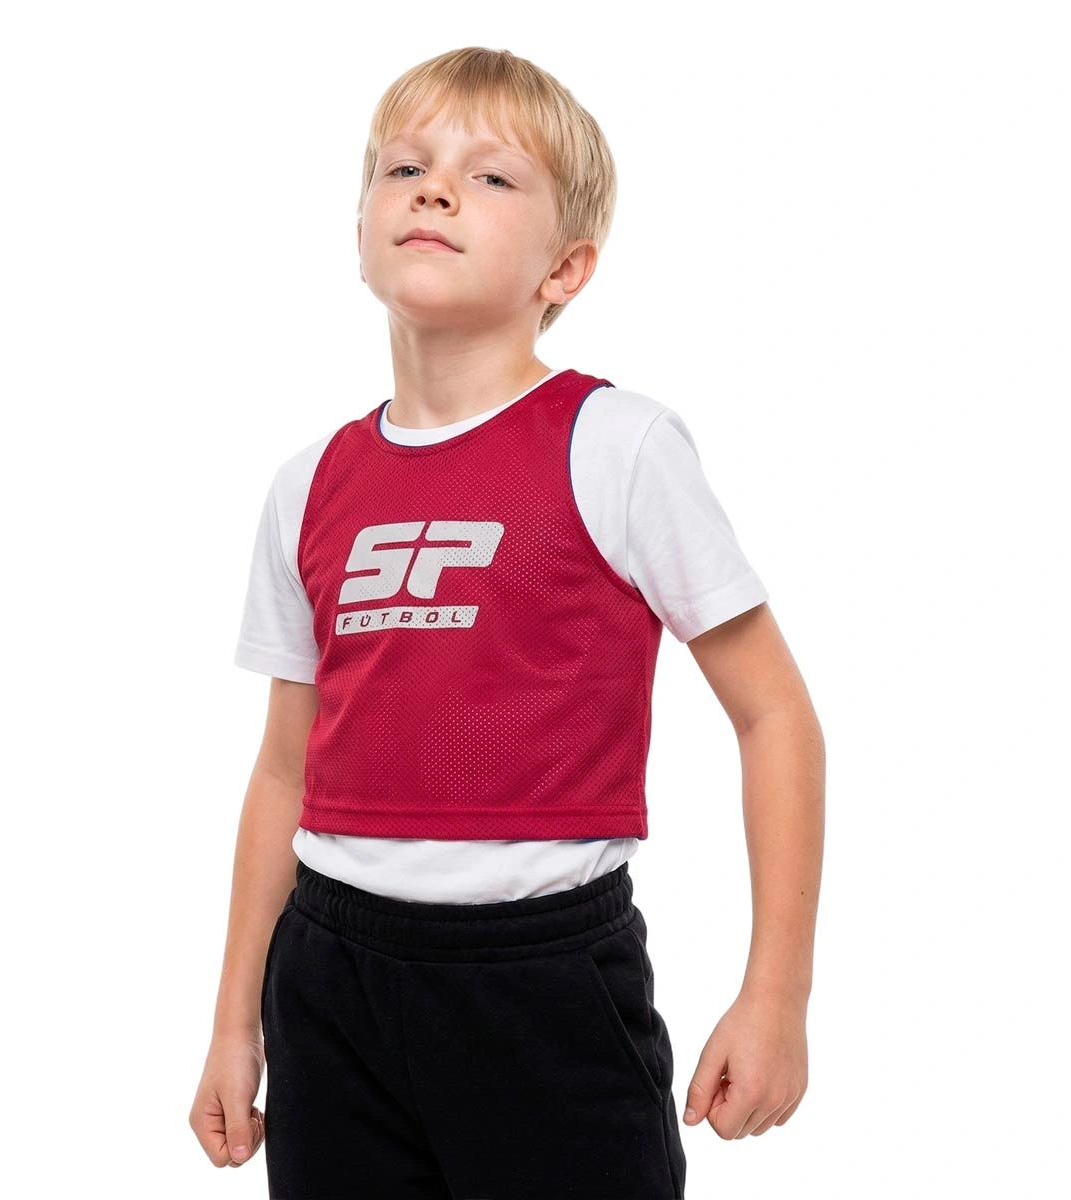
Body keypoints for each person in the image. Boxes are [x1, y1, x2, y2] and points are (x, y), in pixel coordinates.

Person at [189, 45, 824, 1200]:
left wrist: (775, 996)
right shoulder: (308, 486)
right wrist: (235, 1022)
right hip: (329, 983)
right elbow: (284, 769)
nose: (434, 190)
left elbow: (775, 715)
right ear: (361, 231)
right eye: (405, 168)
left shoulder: (617, 447)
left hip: (541, 987)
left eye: (490, 178)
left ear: (565, 266)